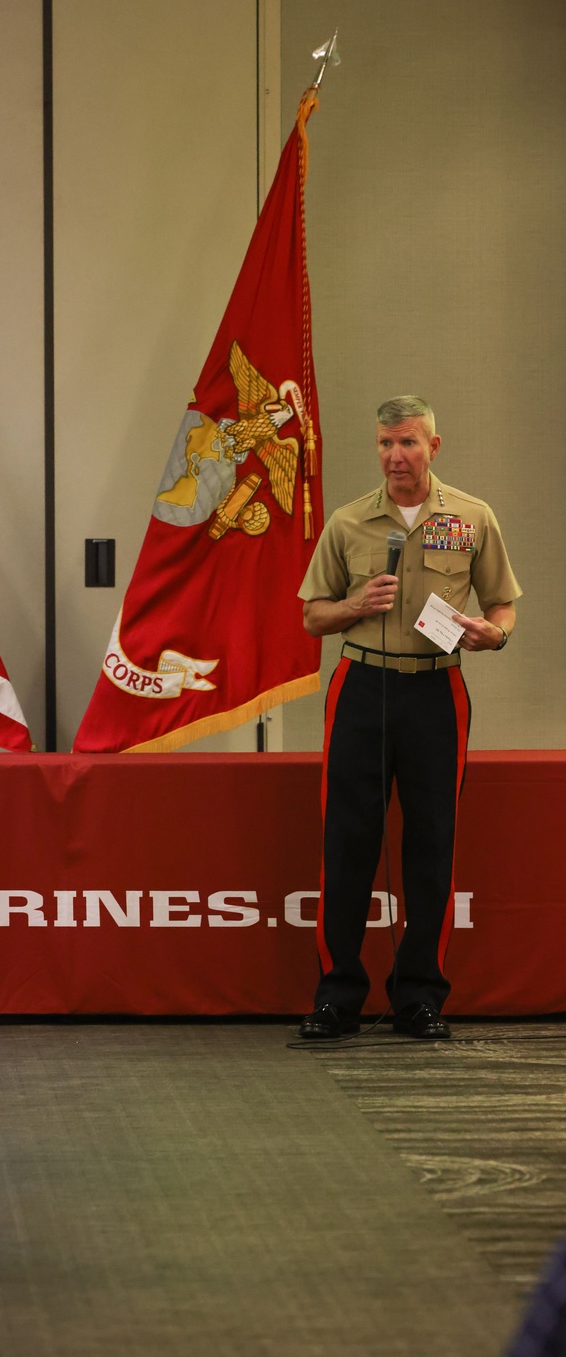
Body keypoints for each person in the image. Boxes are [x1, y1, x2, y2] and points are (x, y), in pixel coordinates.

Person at [297, 396, 521, 1041]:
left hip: (436, 690)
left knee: (432, 846)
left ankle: (419, 997)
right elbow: (312, 616)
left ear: (433, 446)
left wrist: (492, 634)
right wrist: (353, 604)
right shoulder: (348, 523)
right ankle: (338, 997)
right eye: (386, 444)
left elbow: (502, 603)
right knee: (347, 845)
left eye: (409, 444)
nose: (396, 456)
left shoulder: (472, 517)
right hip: (360, 687)